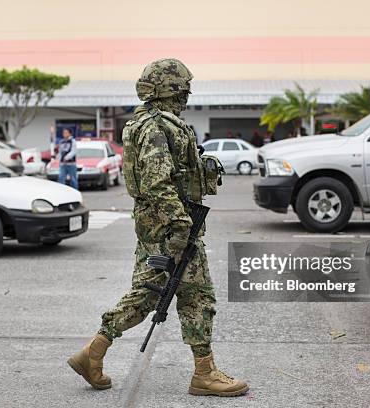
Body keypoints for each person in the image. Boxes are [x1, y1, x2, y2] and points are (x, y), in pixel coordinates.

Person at [67, 58, 249, 397]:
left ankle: (92, 352)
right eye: (184, 89)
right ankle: (204, 373)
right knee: (197, 295)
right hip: (171, 229)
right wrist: (181, 227)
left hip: (156, 227)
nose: (187, 96)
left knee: (149, 294)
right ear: (172, 89)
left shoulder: (150, 123)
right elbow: (157, 183)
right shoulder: (155, 127)